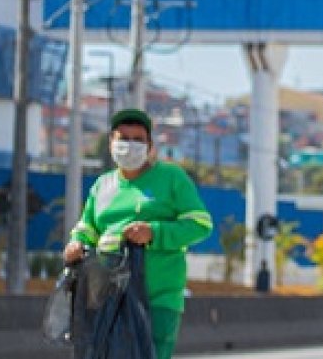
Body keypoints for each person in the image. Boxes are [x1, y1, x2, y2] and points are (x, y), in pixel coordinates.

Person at [64, 108, 214, 359]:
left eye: (138, 140)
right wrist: (76, 244)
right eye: (123, 138)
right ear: (111, 142)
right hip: (106, 298)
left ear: (150, 146)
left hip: (156, 300)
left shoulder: (171, 177)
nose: (129, 146)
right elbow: (86, 228)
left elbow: (200, 224)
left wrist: (154, 232)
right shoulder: (102, 186)